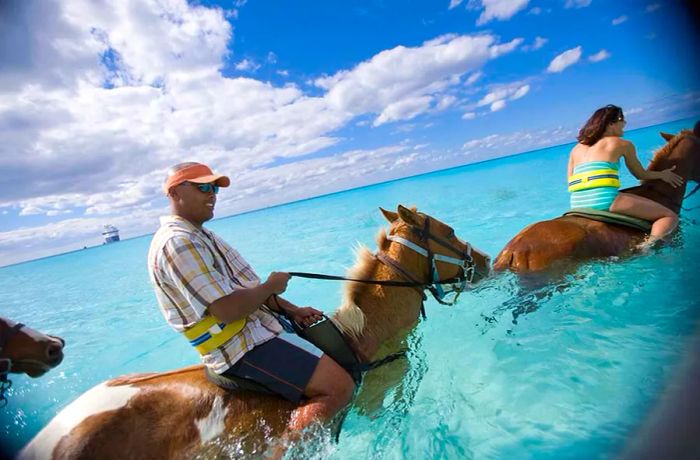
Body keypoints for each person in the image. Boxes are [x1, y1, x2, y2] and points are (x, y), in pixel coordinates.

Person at [147, 162, 355, 439]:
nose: (212, 195)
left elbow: (246, 287)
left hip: (257, 329)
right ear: (174, 193)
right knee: (339, 387)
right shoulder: (178, 242)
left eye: (215, 189)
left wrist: (292, 310)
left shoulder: (202, 234)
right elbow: (227, 310)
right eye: (203, 187)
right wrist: (272, 285)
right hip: (238, 347)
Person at [567, 104, 684, 249]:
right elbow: (640, 174)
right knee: (669, 216)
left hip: (577, 203)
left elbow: (570, 180)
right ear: (610, 123)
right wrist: (663, 174)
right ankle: (646, 248)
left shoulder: (576, 149)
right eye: (622, 119)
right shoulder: (623, 144)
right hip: (604, 200)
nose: (625, 123)